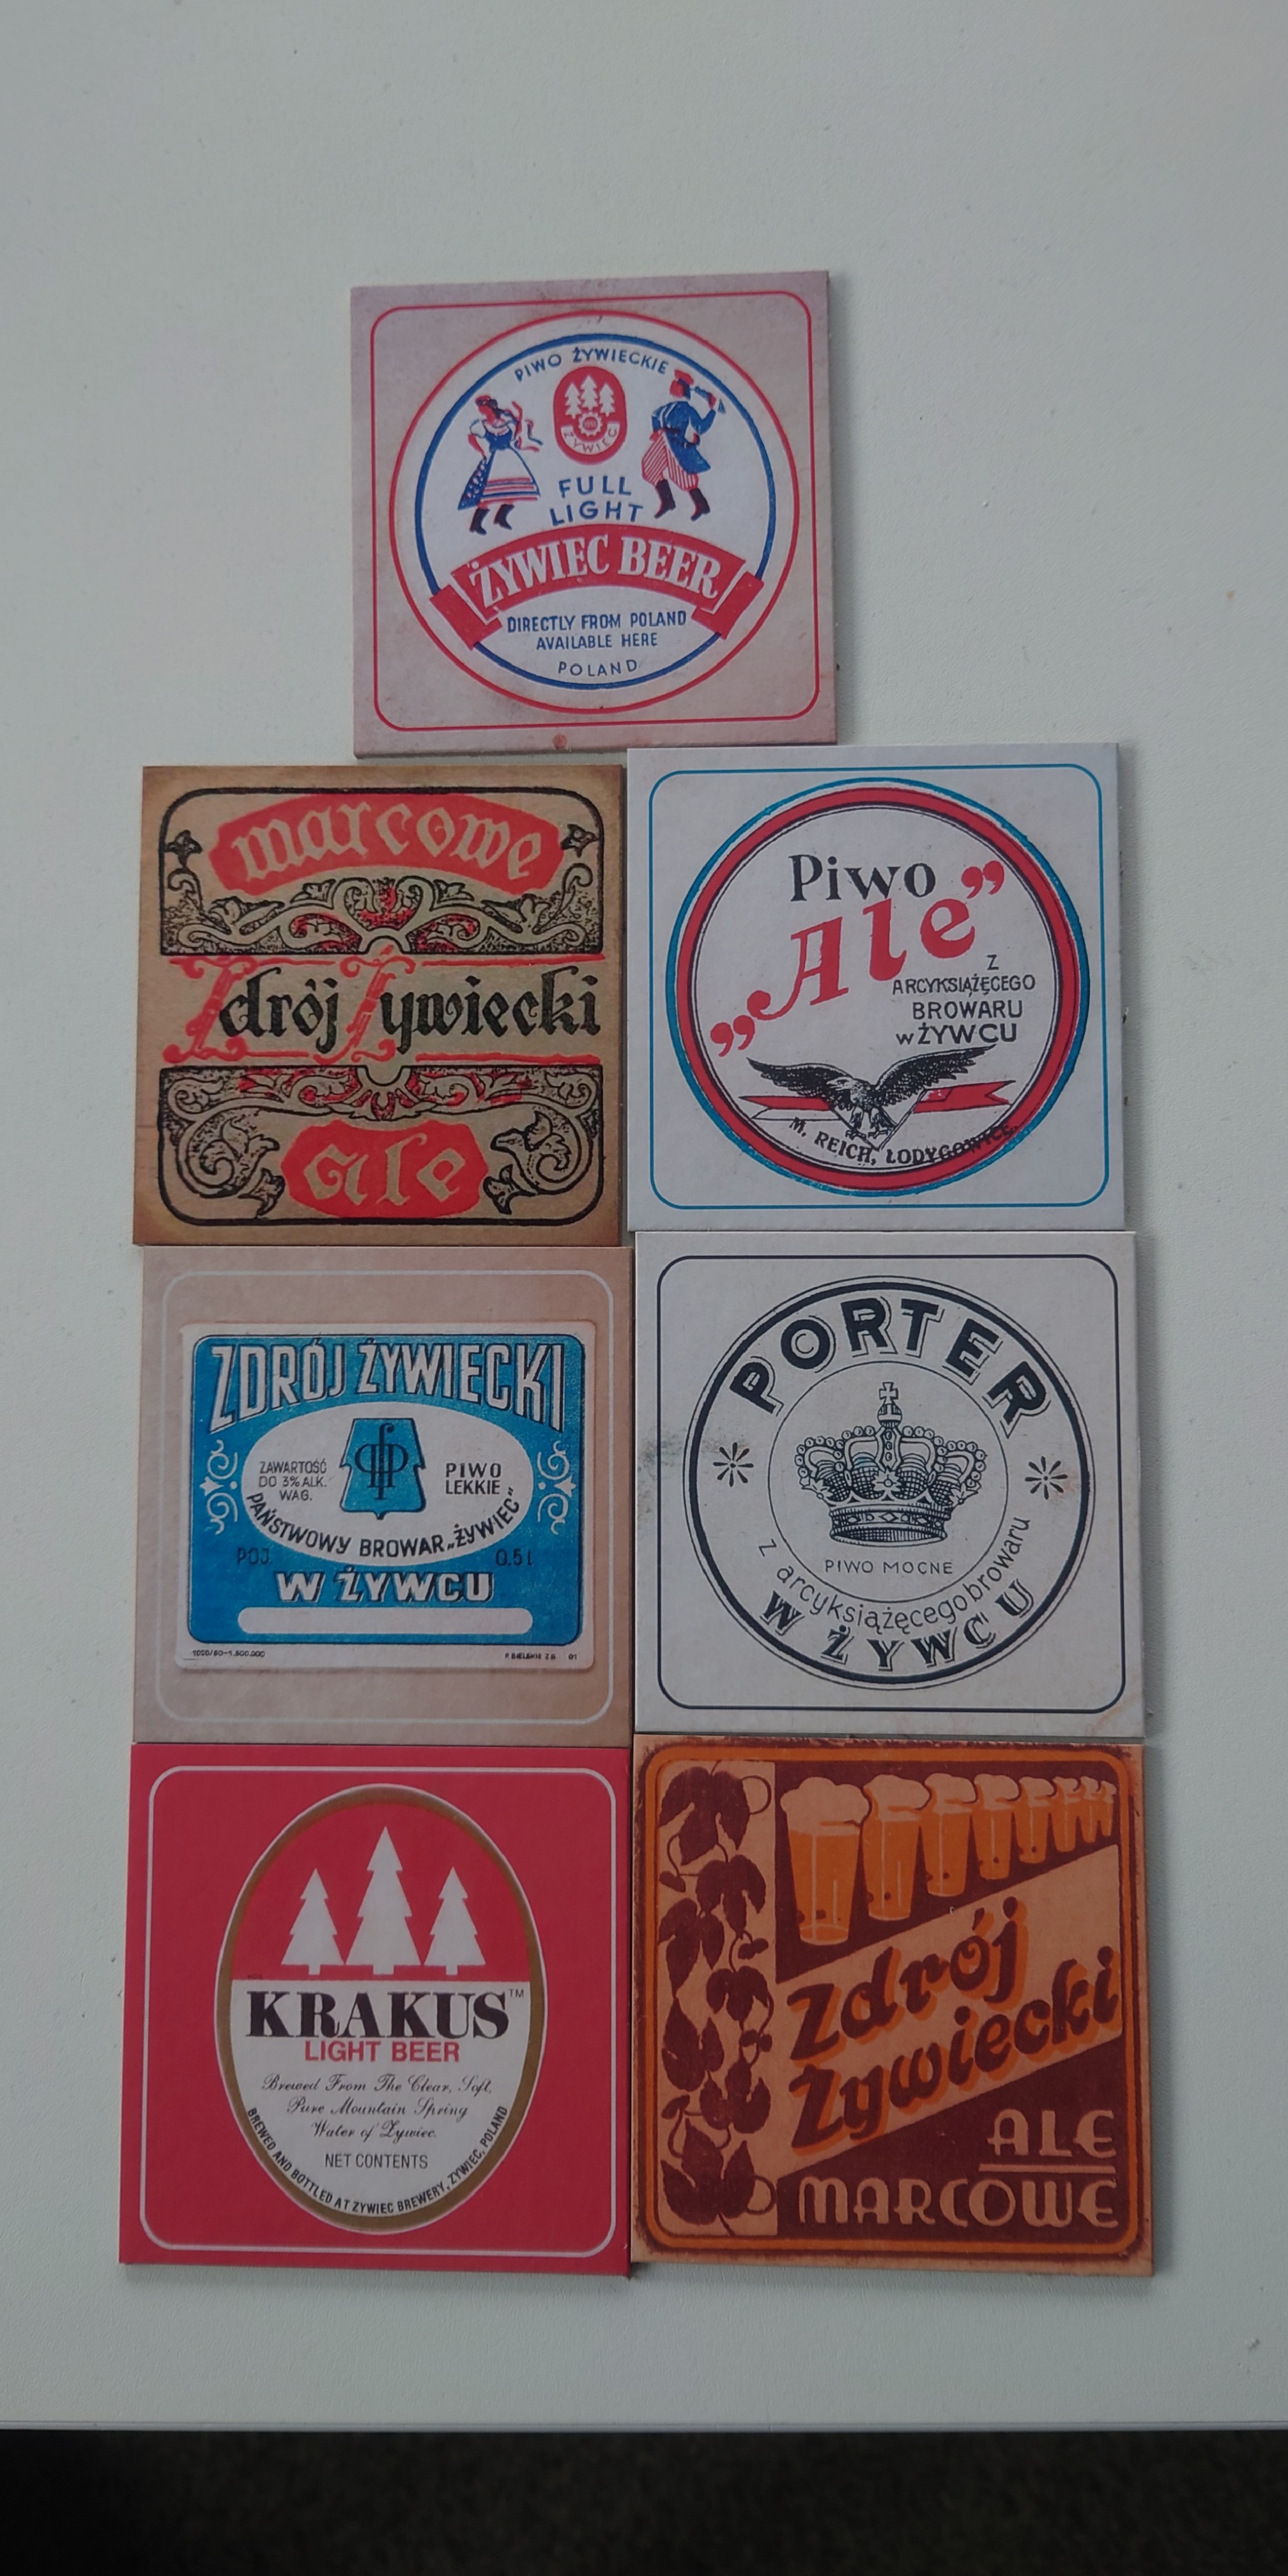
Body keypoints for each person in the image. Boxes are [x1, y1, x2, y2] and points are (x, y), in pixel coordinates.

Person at [641, 371, 718, 519]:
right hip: (664, 440)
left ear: (683, 390)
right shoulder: (667, 408)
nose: (673, 386)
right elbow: (655, 415)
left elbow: (701, 427)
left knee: (682, 476)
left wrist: (713, 411)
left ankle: (702, 505)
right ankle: (668, 502)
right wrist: (656, 431)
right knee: (650, 466)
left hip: (677, 444)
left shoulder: (687, 409)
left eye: (677, 384)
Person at [458, 395, 540, 533]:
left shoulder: (507, 423)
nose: (481, 411)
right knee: (488, 494)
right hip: (495, 460)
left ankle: (501, 518)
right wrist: (482, 452)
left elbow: (518, 433)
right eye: (481, 409)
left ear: (491, 407)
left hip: (509, 458)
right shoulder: (482, 426)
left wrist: (520, 414)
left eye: (483, 408)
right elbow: (471, 438)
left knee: (512, 492)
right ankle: (476, 524)